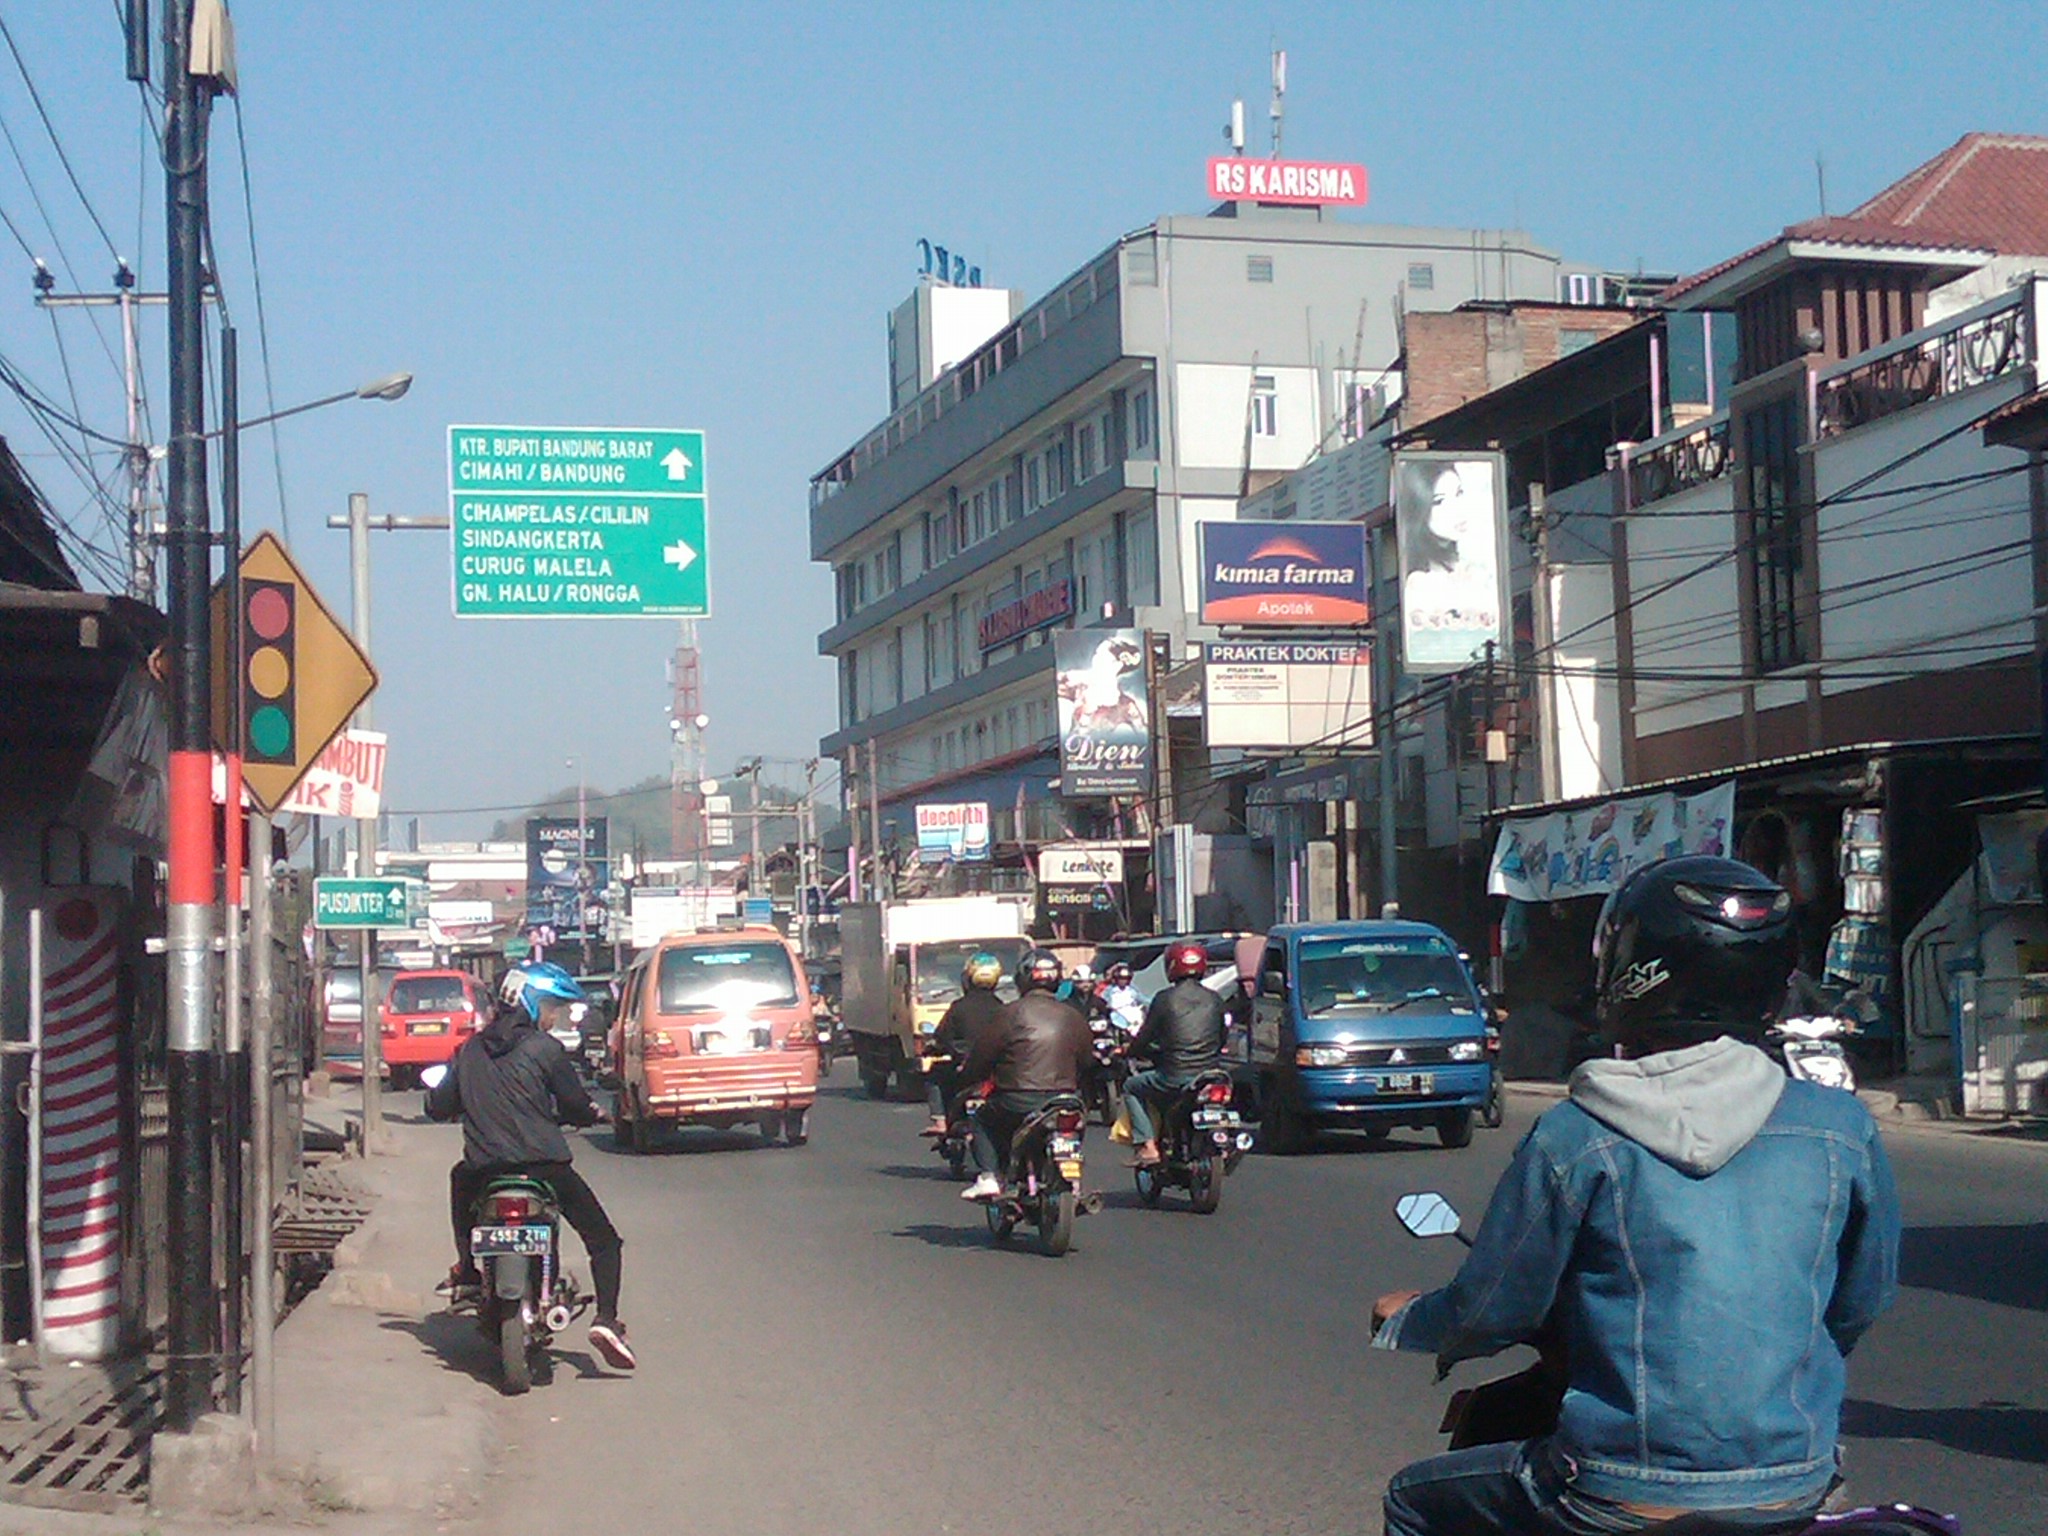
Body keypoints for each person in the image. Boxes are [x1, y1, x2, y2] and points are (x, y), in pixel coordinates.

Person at [1370, 856, 1899, 1536]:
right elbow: (1858, 1303)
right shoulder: (1842, 1129)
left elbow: (1494, 1308)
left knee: (1413, 1501)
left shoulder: (1577, 1134)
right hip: (1795, 1479)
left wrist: (1406, 1321)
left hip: (1619, 1485)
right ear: (1773, 984)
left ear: (1632, 973)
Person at [426, 962, 638, 1372]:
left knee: (459, 1178)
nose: (553, 1015)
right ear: (527, 1002)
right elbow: (574, 1104)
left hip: (486, 1172)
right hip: (546, 1169)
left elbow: (439, 1105)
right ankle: (607, 1319)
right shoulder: (546, 1050)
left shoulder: (469, 1050)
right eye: (549, 1006)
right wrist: (589, 1113)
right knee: (604, 1241)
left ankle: (469, 1273)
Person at [955, 948, 1091, 1203]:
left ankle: (989, 1177)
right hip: (1065, 1100)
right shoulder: (1074, 1016)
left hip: (1017, 1100)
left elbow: (983, 1056)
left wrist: (969, 1077)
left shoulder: (1010, 1013)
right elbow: (1088, 1061)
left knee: (980, 1116)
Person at [1121, 940, 1225, 1169]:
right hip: (1210, 1074)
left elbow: (1145, 1037)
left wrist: (1129, 1051)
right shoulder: (1215, 999)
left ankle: (1147, 1146)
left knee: (1130, 1086)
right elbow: (1222, 1037)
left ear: (1171, 966)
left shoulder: (1164, 998)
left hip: (1173, 1076)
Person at [923, 952, 1007, 1136]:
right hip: (996, 1072)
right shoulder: (1003, 1008)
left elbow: (942, 1038)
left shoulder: (959, 1007)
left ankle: (940, 1121)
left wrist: (932, 1048)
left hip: (965, 1071)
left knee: (934, 1075)